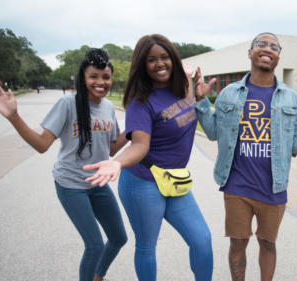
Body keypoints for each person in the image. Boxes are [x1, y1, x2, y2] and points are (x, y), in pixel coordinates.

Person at [193, 32, 297, 281]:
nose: (268, 49)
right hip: (237, 184)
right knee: (238, 244)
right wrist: (201, 100)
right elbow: (214, 133)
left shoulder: (290, 98)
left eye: (274, 46)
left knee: (268, 244)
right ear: (250, 53)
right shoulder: (229, 93)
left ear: (278, 57)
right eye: (261, 44)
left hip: (273, 185)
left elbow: (295, 141)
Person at [0, 48, 128, 281]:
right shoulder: (68, 103)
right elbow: (42, 145)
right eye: (94, 76)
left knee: (119, 238)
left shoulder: (108, 108)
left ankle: (97, 277)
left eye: (106, 77)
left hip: (97, 184)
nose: (101, 82)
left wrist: (135, 130)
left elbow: (110, 149)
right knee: (94, 246)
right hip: (71, 185)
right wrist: (14, 117)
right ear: (83, 78)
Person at [83, 34, 213, 281]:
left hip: (174, 180)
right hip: (141, 183)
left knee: (202, 240)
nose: (159, 63)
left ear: (173, 58)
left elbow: (188, 104)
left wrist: (197, 94)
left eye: (164, 57)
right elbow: (140, 145)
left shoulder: (183, 87)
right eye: (151, 59)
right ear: (143, 64)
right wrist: (117, 162)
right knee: (146, 246)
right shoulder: (140, 100)